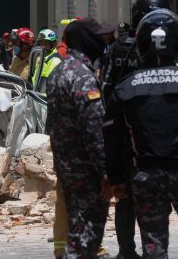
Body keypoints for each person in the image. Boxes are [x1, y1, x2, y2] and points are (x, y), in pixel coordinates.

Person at [103, 9, 178, 259]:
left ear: (142, 45)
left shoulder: (126, 88)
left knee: (154, 247)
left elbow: (111, 136)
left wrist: (115, 178)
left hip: (146, 178)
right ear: (177, 43)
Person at [100, 0, 172, 258]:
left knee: (125, 198)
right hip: (157, 136)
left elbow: (106, 87)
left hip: (124, 134)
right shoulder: (168, 45)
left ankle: (127, 252)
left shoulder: (120, 46)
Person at [46, 17, 110, 258]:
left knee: (77, 229)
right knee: (85, 240)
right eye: (98, 36)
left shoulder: (59, 71)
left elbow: (53, 123)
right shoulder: (82, 76)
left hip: (66, 167)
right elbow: (94, 129)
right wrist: (105, 171)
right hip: (86, 170)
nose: (102, 41)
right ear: (86, 40)